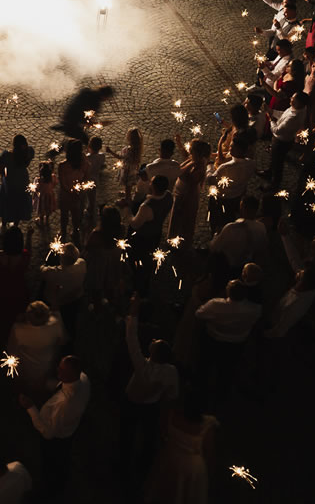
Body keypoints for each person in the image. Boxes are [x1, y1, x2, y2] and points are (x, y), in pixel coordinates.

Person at [121, 294, 179, 482]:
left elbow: (131, 337)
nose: (153, 340)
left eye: (155, 343)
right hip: (151, 407)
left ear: (154, 354)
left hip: (131, 402)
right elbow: (172, 395)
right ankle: (144, 466)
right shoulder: (171, 372)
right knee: (148, 437)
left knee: (127, 432)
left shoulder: (142, 366)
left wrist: (133, 310)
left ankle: (123, 463)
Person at [17, 356, 90, 494]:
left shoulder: (65, 404)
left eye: (62, 370)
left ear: (72, 374)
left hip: (56, 439)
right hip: (70, 431)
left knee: (52, 463)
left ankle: (51, 489)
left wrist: (30, 407)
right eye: (59, 367)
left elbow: (48, 433)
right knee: (63, 459)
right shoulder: (83, 378)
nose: (57, 370)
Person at [143, 396, 218, 504]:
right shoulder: (207, 424)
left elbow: (162, 434)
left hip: (169, 460)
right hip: (192, 468)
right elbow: (208, 451)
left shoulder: (172, 415)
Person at [194, 280, 262, 399]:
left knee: (205, 365)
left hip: (213, 339)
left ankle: (200, 391)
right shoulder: (255, 309)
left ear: (228, 292)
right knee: (227, 369)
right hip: (237, 343)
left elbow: (199, 314)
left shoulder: (215, 304)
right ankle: (221, 394)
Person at [7, 301, 66, 396]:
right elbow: (62, 342)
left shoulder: (18, 330)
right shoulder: (56, 324)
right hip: (48, 367)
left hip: (26, 369)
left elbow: (11, 350)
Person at [128, 176, 174, 293]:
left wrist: (127, 210)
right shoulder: (169, 196)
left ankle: (139, 287)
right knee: (149, 258)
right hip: (156, 233)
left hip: (143, 238)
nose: (149, 183)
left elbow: (135, 224)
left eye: (151, 182)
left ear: (154, 187)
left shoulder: (146, 206)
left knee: (139, 260)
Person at [40, 243, 86, 347]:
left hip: (56, 303)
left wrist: (49, 260)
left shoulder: (54, 273)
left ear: (61, 258)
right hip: (75, 300)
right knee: (70, 323)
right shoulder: (82, 264)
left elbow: (42, 269)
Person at [169, 139, 211, 242]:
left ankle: (182, 241)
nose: (189, 151)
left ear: (197, 153)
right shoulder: (193, 159)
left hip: (187, 197)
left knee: (185, 219)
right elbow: (186, 155)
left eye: (191, 150)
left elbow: (182, 174)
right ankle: (174, 238)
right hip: (181, 193)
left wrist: (189, 165)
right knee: (177, 217)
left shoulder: (199, 166)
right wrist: (179, 143)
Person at [266, 91, 309, 188]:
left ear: (300, 103)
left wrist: (271, 119)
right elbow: (284, 115)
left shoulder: (294, 117)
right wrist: (272, 111)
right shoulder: (299, 108)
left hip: (281, 142)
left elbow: (277, 130)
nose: (290, 99)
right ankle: (269, 172)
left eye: (293, 99)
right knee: (273, 159)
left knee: (278, 163)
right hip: (283, 140)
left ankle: (274, 184)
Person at [0, 135, 35, 226]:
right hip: (23, 180)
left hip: (10, 181)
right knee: (20, 202)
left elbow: (1, 169)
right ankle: (15, 225)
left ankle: (4, 224)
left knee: (7, 202)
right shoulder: (29, 152)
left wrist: (4, 176)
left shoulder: (7, 155)